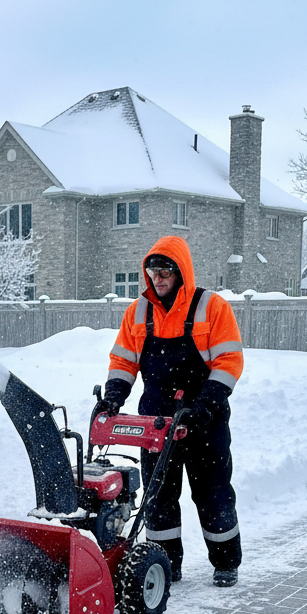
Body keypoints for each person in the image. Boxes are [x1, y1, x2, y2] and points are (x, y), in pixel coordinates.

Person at [97, 236, 243, 586]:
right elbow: (123, 360)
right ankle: (164, 564)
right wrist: (114, 396)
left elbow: (229, 361)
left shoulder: (211, 307)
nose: (158, 278)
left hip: (203, 419)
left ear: (181, 272)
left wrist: (204, 404)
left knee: (212, 493)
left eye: (165, 271)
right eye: (153, 271)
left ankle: (226, 562)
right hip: (157, 421)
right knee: (158, 496)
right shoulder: (138, 312)